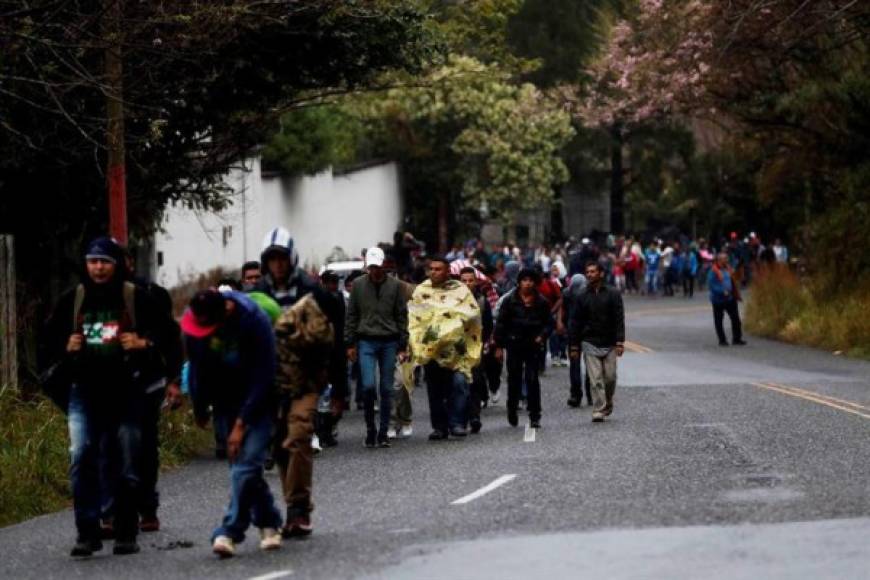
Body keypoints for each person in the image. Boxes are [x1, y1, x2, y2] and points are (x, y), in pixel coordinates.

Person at [42, 237, 175, 557]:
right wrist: (67, 348)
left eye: (105, 262)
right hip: (84, 392)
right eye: (92, 261)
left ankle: (125, 531)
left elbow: (170, 336)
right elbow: (46, 346)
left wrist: (145, 345)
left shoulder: (136, 298)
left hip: (127, 391)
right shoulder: (72, 300)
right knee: (81, 454)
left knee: (127, 454)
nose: (98, 268)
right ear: (86, 265)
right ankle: (87, 533)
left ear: (117, 265)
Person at [254, 227, 344, 537]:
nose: (277, 265)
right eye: (272, 260)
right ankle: (292, 501)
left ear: (291, 259)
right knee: (280, 444)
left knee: (300, 433)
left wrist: (339, 390)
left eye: (282, 259)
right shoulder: (258, 295)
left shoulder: (313, 292)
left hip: (307, 380)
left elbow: (334, 343)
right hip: (272, 382)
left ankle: (298, 509)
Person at [183, 289, 283, 558]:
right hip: (225, 401)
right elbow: (197, 366)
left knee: (247, 462)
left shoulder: (254, 320)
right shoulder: (196, 319)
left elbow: (264, 376)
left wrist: (241, 425)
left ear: (225, 311)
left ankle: (229, 531)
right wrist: (200, 406)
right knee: (243, 467)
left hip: (259, 398)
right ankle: (270, 522)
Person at [408, 256, 482, 440]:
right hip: (432, 349)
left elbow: (472, 313)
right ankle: (439, 427)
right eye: (431, 269)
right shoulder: (421, 291)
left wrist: (452, 323)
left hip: (457, 349)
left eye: (438, 269)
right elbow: (415, 318)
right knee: (435, 389)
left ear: (448, 272)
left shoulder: (460, 290)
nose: (433, 272)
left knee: (459, 384)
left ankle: (457, 423)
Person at [345, 247, 409, 448]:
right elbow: (352, 316)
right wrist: (350, 343)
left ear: (383, 265)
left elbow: (401, 315)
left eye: (377, 266)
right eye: (370, 266)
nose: (374, 270)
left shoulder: (395, 286)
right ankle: (370, 429)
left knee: (387, 388)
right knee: (368, 385)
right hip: (366, 341)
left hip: (389, 341)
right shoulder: (357, 285)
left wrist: (402, 344)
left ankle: (383, 432)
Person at [493, 268, 554, 429]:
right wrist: (499, 346)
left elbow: (549, 323)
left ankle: (535, 415)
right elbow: (501, 324)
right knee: (514, 379)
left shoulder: (541, 302)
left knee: (532, 379)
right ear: (519, 282)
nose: (528, 284)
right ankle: (512, 409)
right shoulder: (509, 300)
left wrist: (542, 335)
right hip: (514, 344)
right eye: (524, 280)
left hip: (533, 345)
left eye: (531, 280)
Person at [569, 261, 625, 422]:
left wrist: (620, 341)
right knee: (596, 380)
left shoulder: (613, 293)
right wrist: (574, 345)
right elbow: (575, 322)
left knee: (610, 378)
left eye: (593, 271)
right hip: (589, 342)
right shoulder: (581, 296)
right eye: (588, 272)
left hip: (609, 342)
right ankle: (598, 409)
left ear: (601, 273)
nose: (590, 274)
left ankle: (608, 401)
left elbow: (619, 318)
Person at [459, 266, 494, 434]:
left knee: (475, 381)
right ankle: (461, 417)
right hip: (456, 347)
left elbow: (488, 324)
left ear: (475, 282)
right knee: (459, 382)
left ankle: (474, 416)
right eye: (464, 281)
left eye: (470, 280)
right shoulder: (452, 300)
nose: (467, 284)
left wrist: (485, 342)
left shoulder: (481, 301)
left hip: (475, 347)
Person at [562, 274, 591, 407]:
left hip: (583, 332)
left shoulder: (570, 293)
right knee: (580, 364)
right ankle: (579, 394)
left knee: (585, 364)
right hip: (576, 332)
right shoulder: (569, 295)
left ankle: (580, 394)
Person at [708, 252, 746, 347]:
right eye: (725, 258)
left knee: (736, 319)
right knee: (719, 320)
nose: (727, 260)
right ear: (719, 260)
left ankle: (737, 338)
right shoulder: (713, 271)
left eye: (727, 258)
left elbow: (735, 277)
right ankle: (722, 340)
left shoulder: (728, 269)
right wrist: (721, 291)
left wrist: (740, 269)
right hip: (718, 300)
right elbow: (711, 285)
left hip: (730, 298)